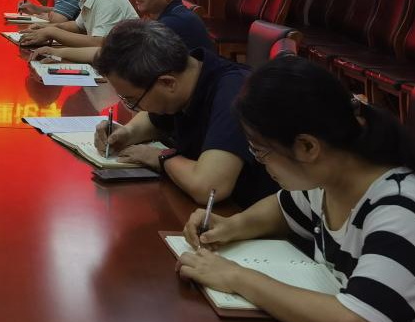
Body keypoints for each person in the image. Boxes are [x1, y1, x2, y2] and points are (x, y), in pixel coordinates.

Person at [176, 56, 415, 322]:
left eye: (260, 151)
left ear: (307, 147)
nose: (261, 163)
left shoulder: (401, 211)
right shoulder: (329, 179)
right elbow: (283, 209)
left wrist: (236, 276)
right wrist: (232, 226)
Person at [92, 20, 277, 207]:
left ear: (168, 83)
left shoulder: (234, 93)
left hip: (245, 212)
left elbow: (208, 187)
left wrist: (159, 157)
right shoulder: (187, 76)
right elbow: (153, 119)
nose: (135, 107)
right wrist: (127, 133)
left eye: (132, 100)